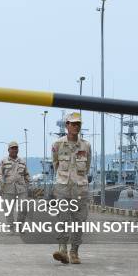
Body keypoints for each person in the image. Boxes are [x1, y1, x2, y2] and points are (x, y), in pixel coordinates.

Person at [51, 112, 91, 264]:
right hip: (63, 189)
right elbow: (56, 164)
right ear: (66, 125)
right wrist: (64, 179)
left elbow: (87, 166)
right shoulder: (58, 145)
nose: (76, 126)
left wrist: (78, 179)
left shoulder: (86, 145)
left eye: (78, 124)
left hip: (80, 190)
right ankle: (62, 250)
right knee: (63, 220)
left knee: (79, 222)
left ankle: (74, 252)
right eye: (73, 124)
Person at [0, 141, 30, 228]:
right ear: (8, 150)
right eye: (12, 148)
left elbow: (27, 175)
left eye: (16, 148)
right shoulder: (3, 161)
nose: (14, 150)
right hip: (8, 188)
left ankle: (19, 226)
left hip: (21, 189)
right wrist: (0, 184)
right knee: (8, 209)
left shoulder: (22, 161)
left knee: (24, 207)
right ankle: (11, 226)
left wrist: (29, 186)